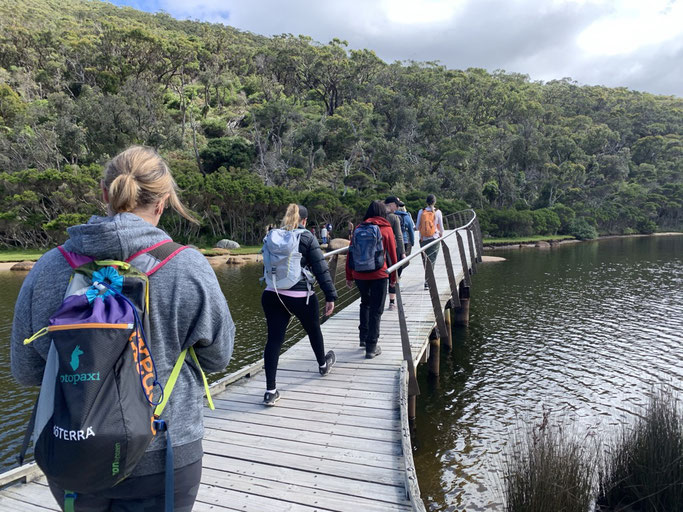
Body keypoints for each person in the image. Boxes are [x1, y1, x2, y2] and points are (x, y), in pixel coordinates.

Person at [11, 146, 235, 511]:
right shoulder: (188, 267)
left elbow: (26, 371)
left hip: (74, 451)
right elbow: (218, 357)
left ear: (105, 195)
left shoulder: (49, 267)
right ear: (162, 203)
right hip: (164, 456)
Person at [261, 204, 337, 406]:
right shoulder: (306, 237)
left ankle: (270, 391)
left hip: (272, 294)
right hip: (300, 296)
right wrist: (330, 296)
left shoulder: (273, 236)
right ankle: (323, 364)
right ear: (304, 221)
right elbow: (321, 269)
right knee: (313, 330)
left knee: (274, 341)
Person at [345, 201, 398, 359]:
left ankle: (363, 338)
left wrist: (349, 276)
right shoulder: (386, 228)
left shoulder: (359, 228)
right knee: (377, 310)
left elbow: (350, 253)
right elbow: (393, 255)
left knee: (365, 303)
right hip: (379, 274)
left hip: (360, 274)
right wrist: (393, 277)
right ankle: (371, 346)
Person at [416, 194, 445, 288]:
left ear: (426, 202)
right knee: (432, 260)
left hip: (423, 239)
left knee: (425, 260)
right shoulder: (438, 212)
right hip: (434, 239)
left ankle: (427, 279)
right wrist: (441, 235)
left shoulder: (421, 211)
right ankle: (428, 281)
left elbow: (417, 227)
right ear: (435, 202)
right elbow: (441, 227)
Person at [383, 196, 406, 311]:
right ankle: (392, 303)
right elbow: (399, 236)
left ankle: (379, 301)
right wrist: (402, 252)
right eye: (397, 205)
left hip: (378, 252)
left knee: (382, 276)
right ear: (391, 204)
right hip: (392, 250)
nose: (397, 207)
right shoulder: (394, 218)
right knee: (394, 273)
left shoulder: (377, 216)